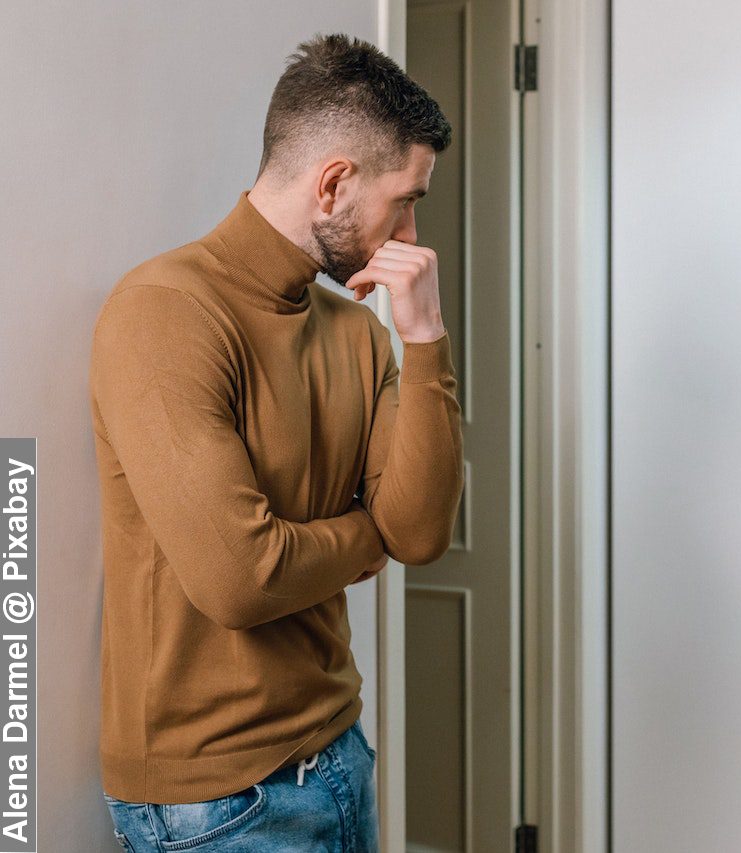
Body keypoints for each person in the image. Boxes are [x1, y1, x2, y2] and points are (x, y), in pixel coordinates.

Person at [90, 33, 464, 851]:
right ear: (333, 183)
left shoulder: (356, 332)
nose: (410, 231)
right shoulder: (166, 309)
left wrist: (425, 334)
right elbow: (239, 577)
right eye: (405, 199)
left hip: (338, 752)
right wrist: (365, 538)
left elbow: (422, 532)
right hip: (219, 801)